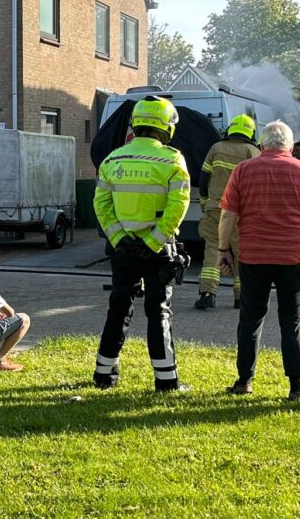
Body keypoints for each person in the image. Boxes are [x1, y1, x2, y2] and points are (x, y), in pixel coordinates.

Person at [219, 120, 300, 402]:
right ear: (291, 147)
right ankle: (296, 387)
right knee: (293, 320)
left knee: (250, 318)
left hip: (254, 255)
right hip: (297, 257)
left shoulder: (243, 170)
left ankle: (244, 381)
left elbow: (227, 216)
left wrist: (223, 249)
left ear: (262, 145)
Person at [92, 96, 191, 391]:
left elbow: (102, 204)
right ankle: (166, 381)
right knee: (158, 310)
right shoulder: (172, 160)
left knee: (118, 307)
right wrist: (152, 241)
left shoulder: (113, 159)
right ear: (167, 127)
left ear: (137, 123)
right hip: (157, 251)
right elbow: (178, 207)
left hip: (122, 250)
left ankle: (104, 375)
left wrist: (120, 239)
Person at [194, 114, 260, 310]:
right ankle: (241, 298)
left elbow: (204, 179)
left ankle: (207, 294)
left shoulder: (216, 148)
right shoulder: (253, 151)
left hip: (216, 209)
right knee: (242, 254)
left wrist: (205, 203)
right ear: (251, 133)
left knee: (213, 249)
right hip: (241, 213)